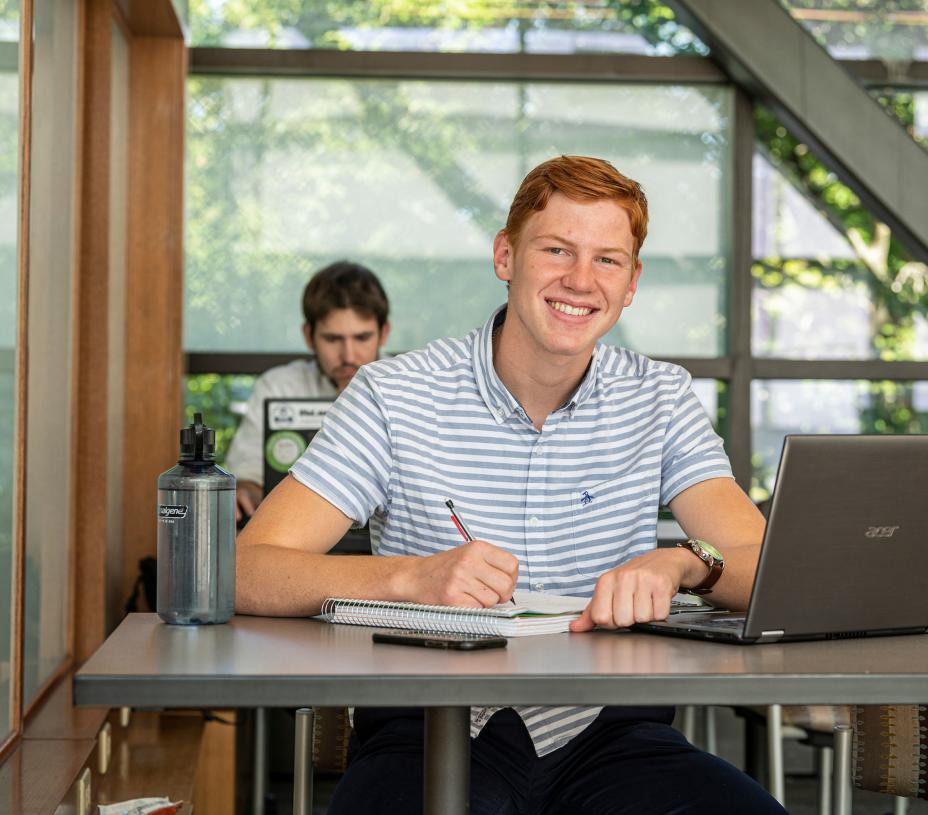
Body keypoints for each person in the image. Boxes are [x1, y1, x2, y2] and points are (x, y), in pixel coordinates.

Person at [236, 156, 785, 814]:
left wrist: (683, 564)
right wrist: (410, 579)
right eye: (556, 250)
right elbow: (248, 568)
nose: (580, 281)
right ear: (505, 256)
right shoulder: (392, 394)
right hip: (428, 730)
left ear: (632, 282)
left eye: (607, 260)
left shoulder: (659, 397)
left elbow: (769, 571)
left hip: (610, 735)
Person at [225, 260, 391, 520]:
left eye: (361, 338)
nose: (348, 355)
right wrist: (244, 491)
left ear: (384, 334)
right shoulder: (279, 386)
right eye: (333, 339)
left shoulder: (409, 386)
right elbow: (249, 477)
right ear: (308, 335)